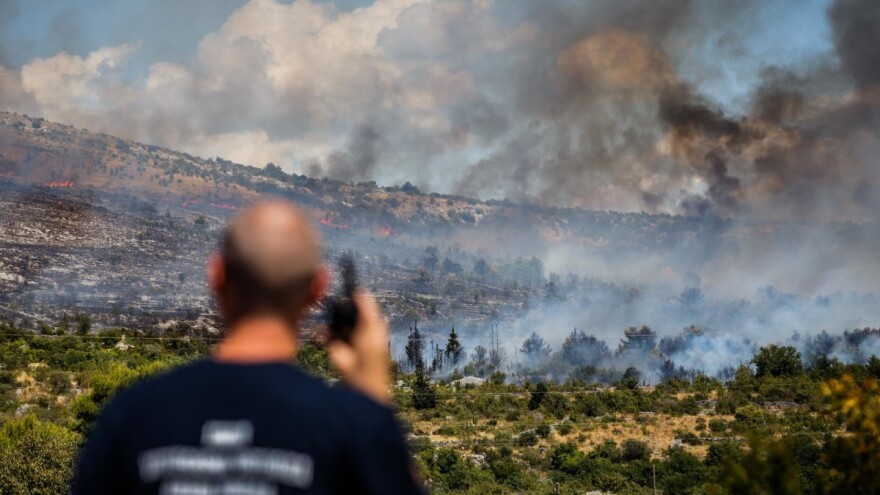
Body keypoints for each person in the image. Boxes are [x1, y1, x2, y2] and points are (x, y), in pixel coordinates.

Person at [72, 201, 424, 494]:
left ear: (217, 277)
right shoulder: (351, 425)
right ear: (317, 290)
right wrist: (373, 399)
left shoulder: (132, 414)